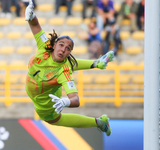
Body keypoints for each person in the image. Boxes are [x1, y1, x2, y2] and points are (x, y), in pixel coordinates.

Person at [24, 0, 114, 136]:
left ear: (69, 53)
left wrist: (64, 101)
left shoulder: (64, 71)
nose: (63, 49)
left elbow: (75, 100)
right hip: (48, 87)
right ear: (54, 45)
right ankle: (97, 63)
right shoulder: (45, 45)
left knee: (54, 120)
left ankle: (99, 122)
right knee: (65, 63)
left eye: (68, 49)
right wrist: (31, 15)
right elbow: (35, 24)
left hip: (47, 103)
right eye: (61, 45)